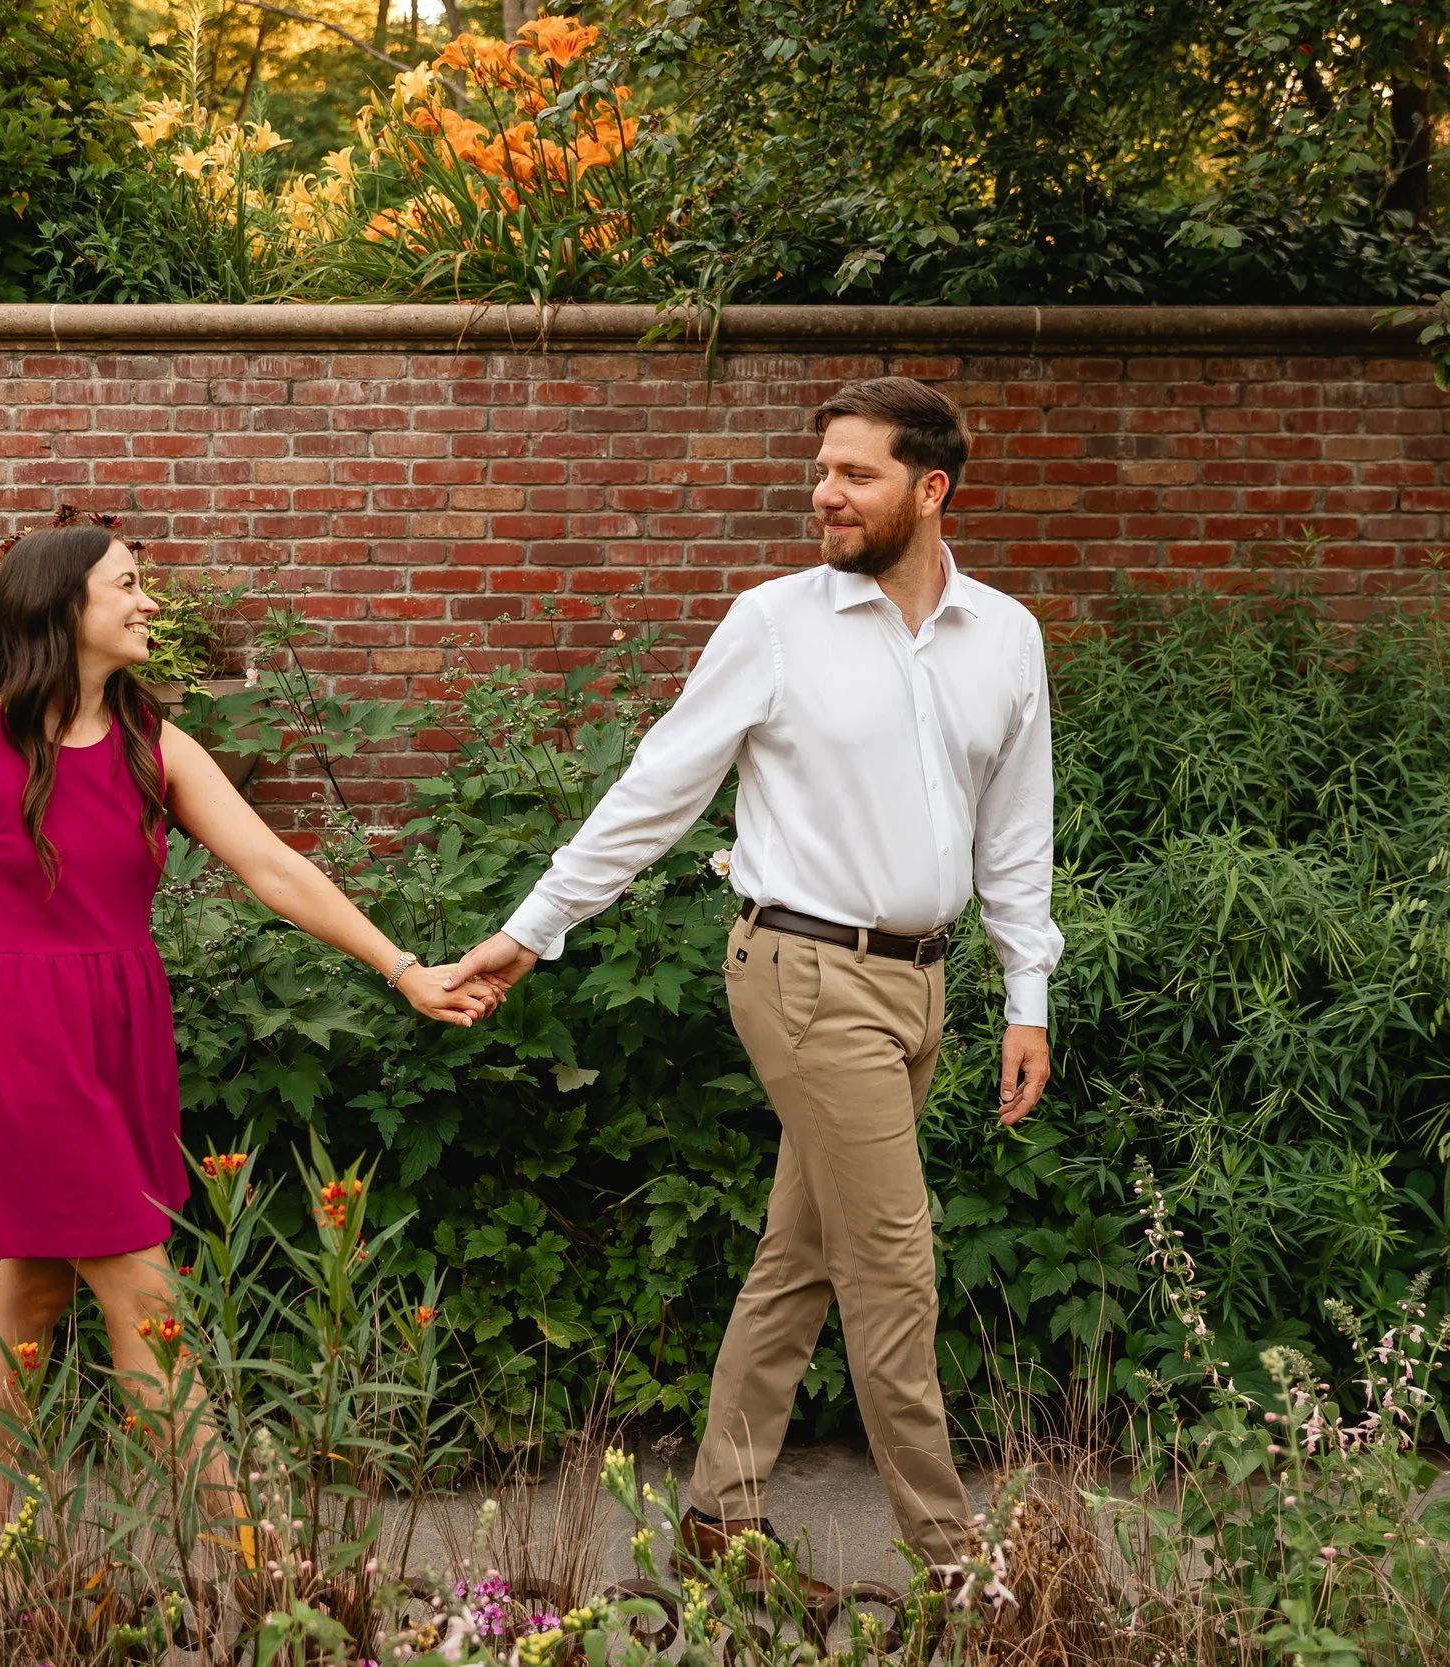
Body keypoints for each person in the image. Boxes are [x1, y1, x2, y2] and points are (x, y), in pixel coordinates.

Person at [442, 377, 1062, 1590]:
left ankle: (720, 1512)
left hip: (920, 987)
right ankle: (958, 1564)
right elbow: (658, 785)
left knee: (805, 1251)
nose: (822, 491)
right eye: (821, 466)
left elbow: (1016, 826)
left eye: (855, 473)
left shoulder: (1006, 634)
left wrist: (1024, 986)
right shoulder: (776, 621)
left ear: (929, 490)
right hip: (802, 971)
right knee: (894, 1266)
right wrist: (535, 926)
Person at [0, 523, 496, 1541]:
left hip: (123, 1033)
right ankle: (242, 1549)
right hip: (23, 1037)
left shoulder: (149, 739)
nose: (149, 603)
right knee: (140, 1282)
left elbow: (275, 868)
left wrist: (401, 967)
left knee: (31, 1288)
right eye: (128, 585)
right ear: (63, 605)